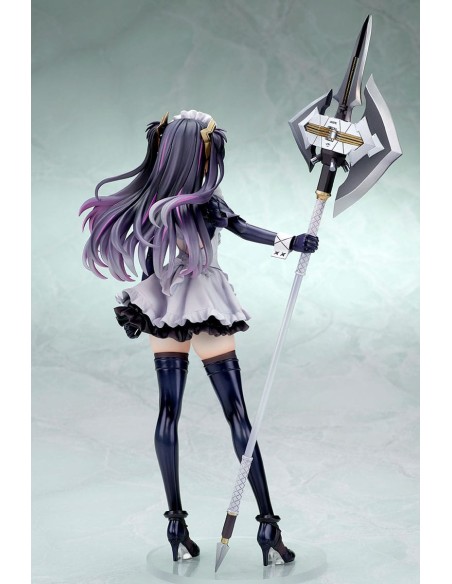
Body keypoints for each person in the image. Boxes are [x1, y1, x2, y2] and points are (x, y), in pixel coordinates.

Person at [80, 109, 318, 565]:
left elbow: (150, 263)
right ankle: (268, 525)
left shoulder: (152, 198)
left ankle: (176, 525)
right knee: (237, 415)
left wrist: (146, 303)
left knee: (168, 412)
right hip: (204, 301)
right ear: (199, 153)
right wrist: (290, 241)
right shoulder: (207, 200)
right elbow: (241, 227)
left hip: (164, 302)